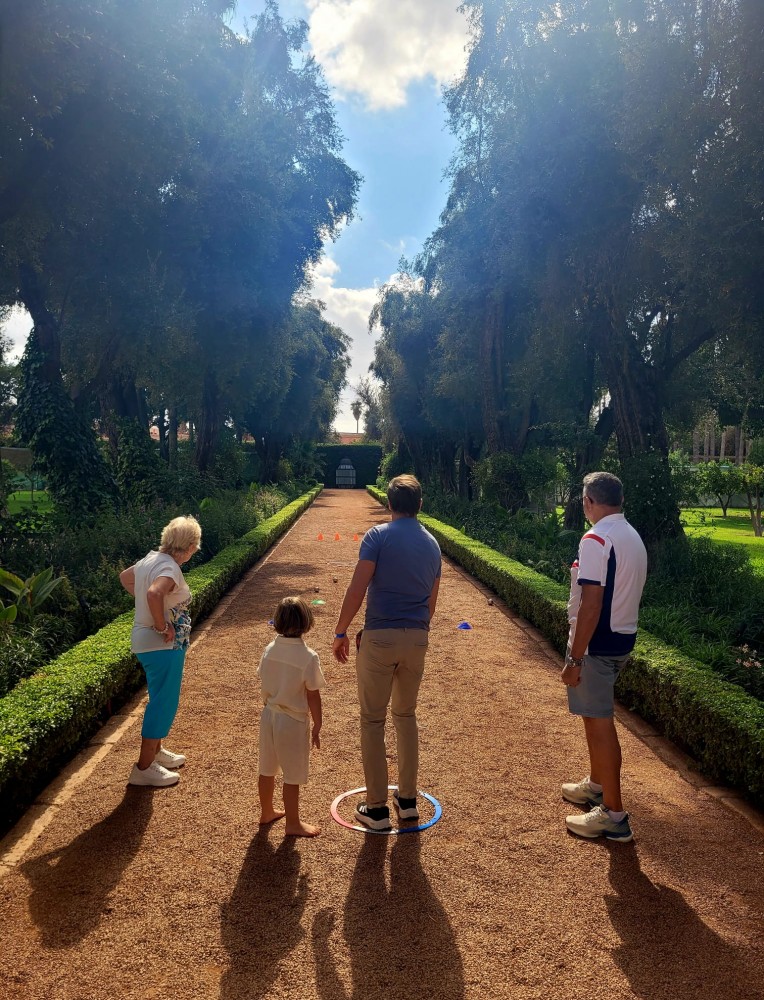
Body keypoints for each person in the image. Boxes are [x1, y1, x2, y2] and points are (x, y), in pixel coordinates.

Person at [333, 474, 441, 831]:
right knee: (406, 716)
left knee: (372, 719)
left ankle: (377, 808)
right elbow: (431, 605)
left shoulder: (377, 536)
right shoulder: (433, 545)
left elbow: (357, 588)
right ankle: (407, 801)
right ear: (420, 505)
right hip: (417, 637)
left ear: (390, 504)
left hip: (380, 637)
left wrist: (341, 630)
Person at [561, 471, 647, 842]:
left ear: (588, 502)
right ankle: (597, 785)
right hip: (622, 638)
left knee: (599, 725)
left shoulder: (597, 538)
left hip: (597, 646)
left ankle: (614, 814)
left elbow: (591, 604)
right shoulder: (630, 534)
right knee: (595, 720)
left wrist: (575, 659)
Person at [119, 515, 201, 788]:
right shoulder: (170, 567)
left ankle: (156, 753)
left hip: (148, 643)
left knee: (159, 697)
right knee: (163, 703)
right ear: (188, 546)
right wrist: (161, 623)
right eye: (195, 546)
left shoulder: (150, 559)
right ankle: (143, 768)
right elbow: (155, 594)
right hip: (162, 644)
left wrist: (150, 609)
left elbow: (126, 578)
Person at [257, 596, 325, 838]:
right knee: (292, 774)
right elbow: (313, 694)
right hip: (293, 721)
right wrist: (317, 723)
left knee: (266, 768)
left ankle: (266, 811)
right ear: (307, 622)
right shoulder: (308, 657)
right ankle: (293, 823)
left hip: (269, 716)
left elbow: (263, 678)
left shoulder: (269, 650)